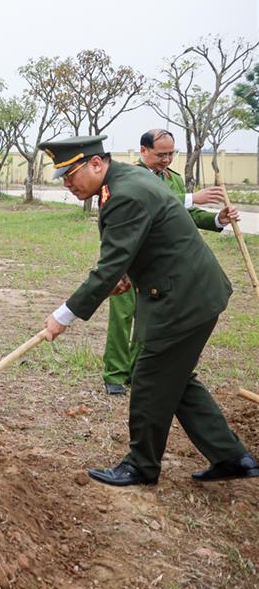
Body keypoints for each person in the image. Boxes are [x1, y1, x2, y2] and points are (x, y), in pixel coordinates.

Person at [41, 135, 257, 486]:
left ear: (96, 164)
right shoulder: (126, 179)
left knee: (149, 378)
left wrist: (63, 315)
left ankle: (141, 466)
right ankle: (233, 458)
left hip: (183, 299)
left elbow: (107, 267)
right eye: (62, 179)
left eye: (71, 175)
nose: (68, 185)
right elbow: (145, 238)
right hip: (193, 291)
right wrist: (126, 272)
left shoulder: (123, 193)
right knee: (176, 379)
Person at [100, 129, 238, 395]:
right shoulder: (124, 178)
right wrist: (190, 198)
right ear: (143, 151)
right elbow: (147, 204)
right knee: (122, 315)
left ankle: (138, 371)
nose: (166, 160)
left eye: (170, 154)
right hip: (129, 259)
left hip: (161, 265)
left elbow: (187, 215)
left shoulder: (171, 179)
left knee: (151, 317)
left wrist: (218, 219)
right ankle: (115, 375)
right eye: (160, 154)